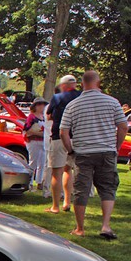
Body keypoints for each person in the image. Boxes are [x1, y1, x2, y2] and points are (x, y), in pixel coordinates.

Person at [60, 71, 128, 239]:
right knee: (107, 188)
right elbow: (123, 127)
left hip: (83, 152)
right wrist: (116, 146)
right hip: (106, 151)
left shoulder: (73, 105)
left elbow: (63, 132)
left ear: (82, 84)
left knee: (81, 190)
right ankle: (105, 225)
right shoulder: (113, 102)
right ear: (98, 83)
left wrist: (70, 150)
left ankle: (80, 228)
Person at [45, 75, 82, 214]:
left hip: (59, 137)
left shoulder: (57, 98)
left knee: (56, 172)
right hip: (77, 137)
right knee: (69, 170)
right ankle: (67, 201)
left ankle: (55, 206)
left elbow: (49, 116)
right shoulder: (82, 97)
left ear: (64, 86)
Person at [23, 97, 49, 191]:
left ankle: (39, 182)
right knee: (33, 162)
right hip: (33, 141)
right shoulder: (31, 117)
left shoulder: (43, 116)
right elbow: (27, 130)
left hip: (42, 141)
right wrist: (38, 132)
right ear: (36, 106)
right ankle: (29, 183)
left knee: (42, 163)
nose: (42, 106)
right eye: (40, 104)